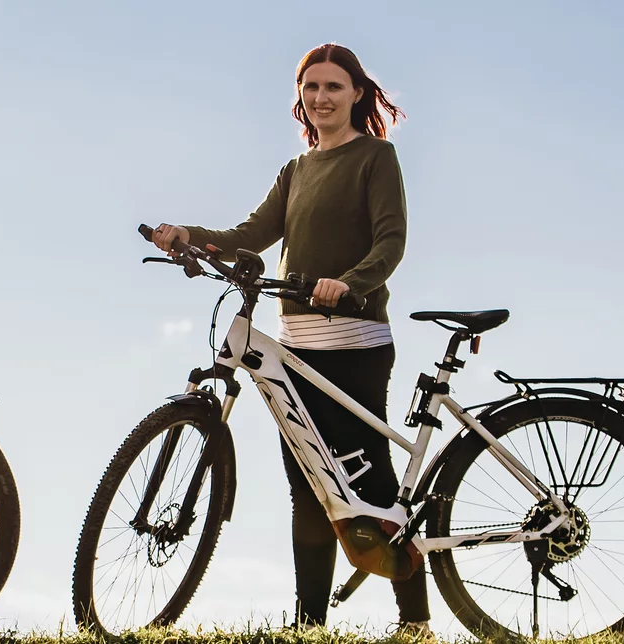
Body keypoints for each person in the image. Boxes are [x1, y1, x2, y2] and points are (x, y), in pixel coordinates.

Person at [147, 43, 432, 641]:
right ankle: (309, 628)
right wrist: (189, 236)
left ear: (357, 93)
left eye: (334, 86)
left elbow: (390, 243)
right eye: (312, 88)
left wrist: (347, 284)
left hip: (355, 340)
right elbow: (251, 234)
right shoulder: (297, 169)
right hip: (295, 344)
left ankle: (416, 623)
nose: (322, 97)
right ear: (300, 97)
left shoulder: (375, 157)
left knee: (371, 486)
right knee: (310, 492)